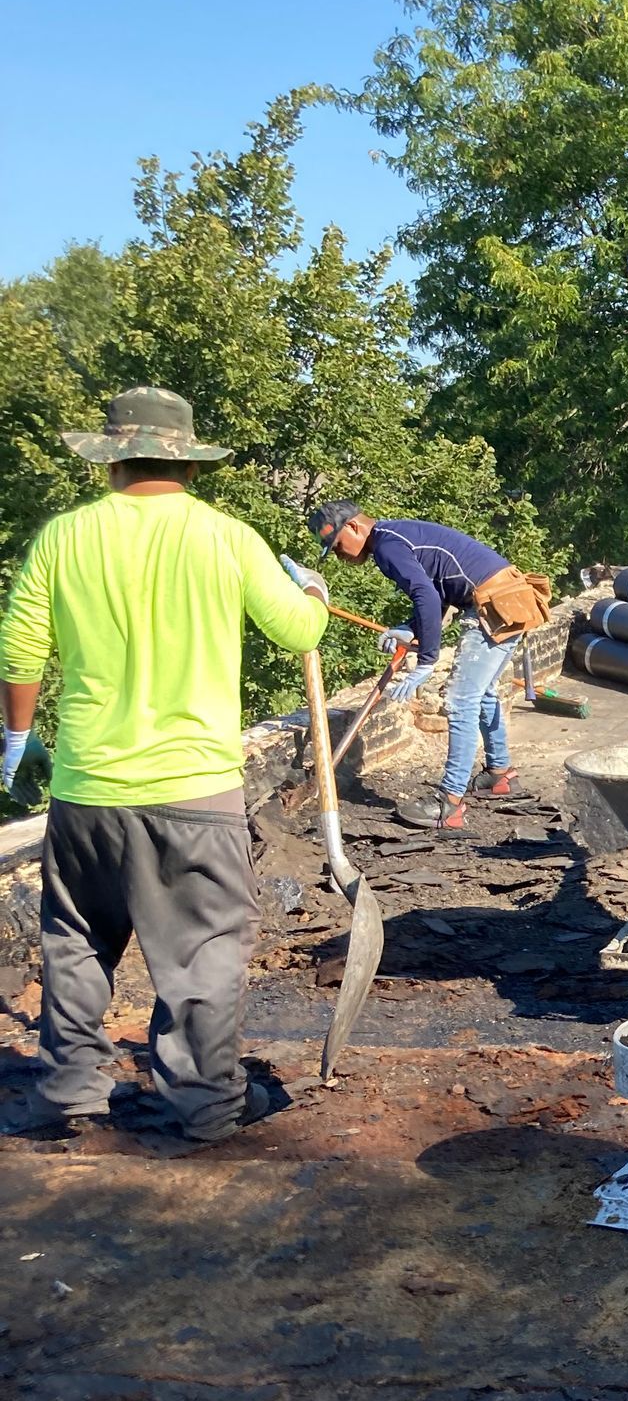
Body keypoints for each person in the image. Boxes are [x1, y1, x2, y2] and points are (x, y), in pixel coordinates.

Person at [0, 386, 329, 1143]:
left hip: (85, 791)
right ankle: (206, 1101)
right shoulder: (227, 538)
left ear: (111, 456)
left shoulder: (64, 537)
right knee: (202, 952)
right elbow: (297, 628)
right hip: (193, 790)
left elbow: (19, 649)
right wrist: (311, 591)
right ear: (187, 459)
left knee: (76, 943)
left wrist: (16, 739)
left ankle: (67, 1092)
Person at [307, 504, 550, 832]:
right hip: (509, 597)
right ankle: (499, 775)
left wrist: (426, 661)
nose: (339, 555)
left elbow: (427, 597)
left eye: (337, 545)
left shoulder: (387, 546)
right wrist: (411, 628)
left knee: (461, 701)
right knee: (483, 693)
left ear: (352, 527)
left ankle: (449, 805)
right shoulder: (396, 535)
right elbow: (437, 590)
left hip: (494, 605)